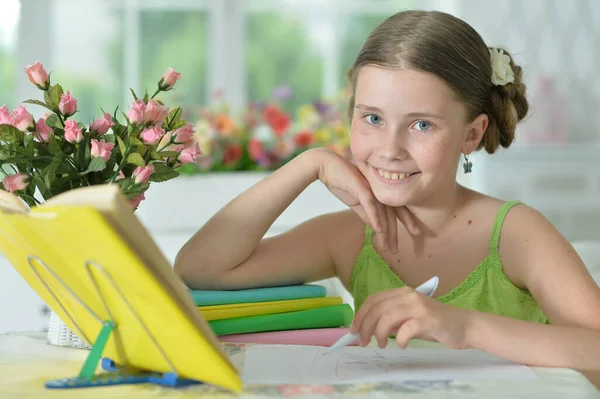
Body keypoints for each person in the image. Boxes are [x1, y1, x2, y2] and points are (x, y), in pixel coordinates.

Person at [175, 10, 600, 370]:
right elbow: (200, 268)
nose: (390, 150)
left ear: (472, 134)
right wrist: (308, 165)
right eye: (373, 119)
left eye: (422, 125)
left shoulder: (516, 234)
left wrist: (465, 326)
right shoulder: (347, 238)